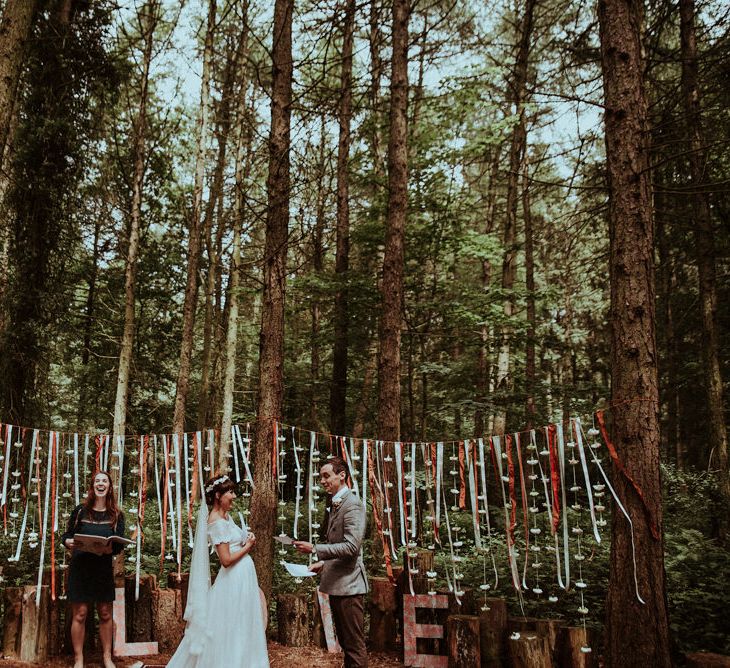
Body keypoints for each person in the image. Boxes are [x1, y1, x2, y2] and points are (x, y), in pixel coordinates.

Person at [166, 473, 269, 668]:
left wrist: (245, 538)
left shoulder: (226, 517)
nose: (234, 496)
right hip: (233, 580)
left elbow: (233, 542)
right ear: (217, 496)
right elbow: (226, 560)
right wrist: (249, 546)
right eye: (230, 492)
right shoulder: (216, 521)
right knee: (231, 626)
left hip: (242, 579)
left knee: (240, 624)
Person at [294, 456, 368, 668]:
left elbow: (352, 547)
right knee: (346, 643)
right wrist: (324, 564)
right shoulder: (336, 503)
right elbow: (341, 547)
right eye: (321, 477)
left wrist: (315, 549)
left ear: (342, 475)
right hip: (339, 585)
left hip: (350, 587)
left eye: (327, 476)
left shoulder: (352, 505)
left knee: (354, 645)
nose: (323, 481)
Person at [61, 471, 126, 668]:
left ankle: (107, 657)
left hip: (102, 569)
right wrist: (68, 541)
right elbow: (66, 535)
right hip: (81, 568)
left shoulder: (116, 514)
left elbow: (118, 545)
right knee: (80, 613)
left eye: (104, 480)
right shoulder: (80, 511)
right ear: (92, 486)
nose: (100, 483)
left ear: (109, 486)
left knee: (105, 613)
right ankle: (79, 659)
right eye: (97, 480)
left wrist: (110, 547)